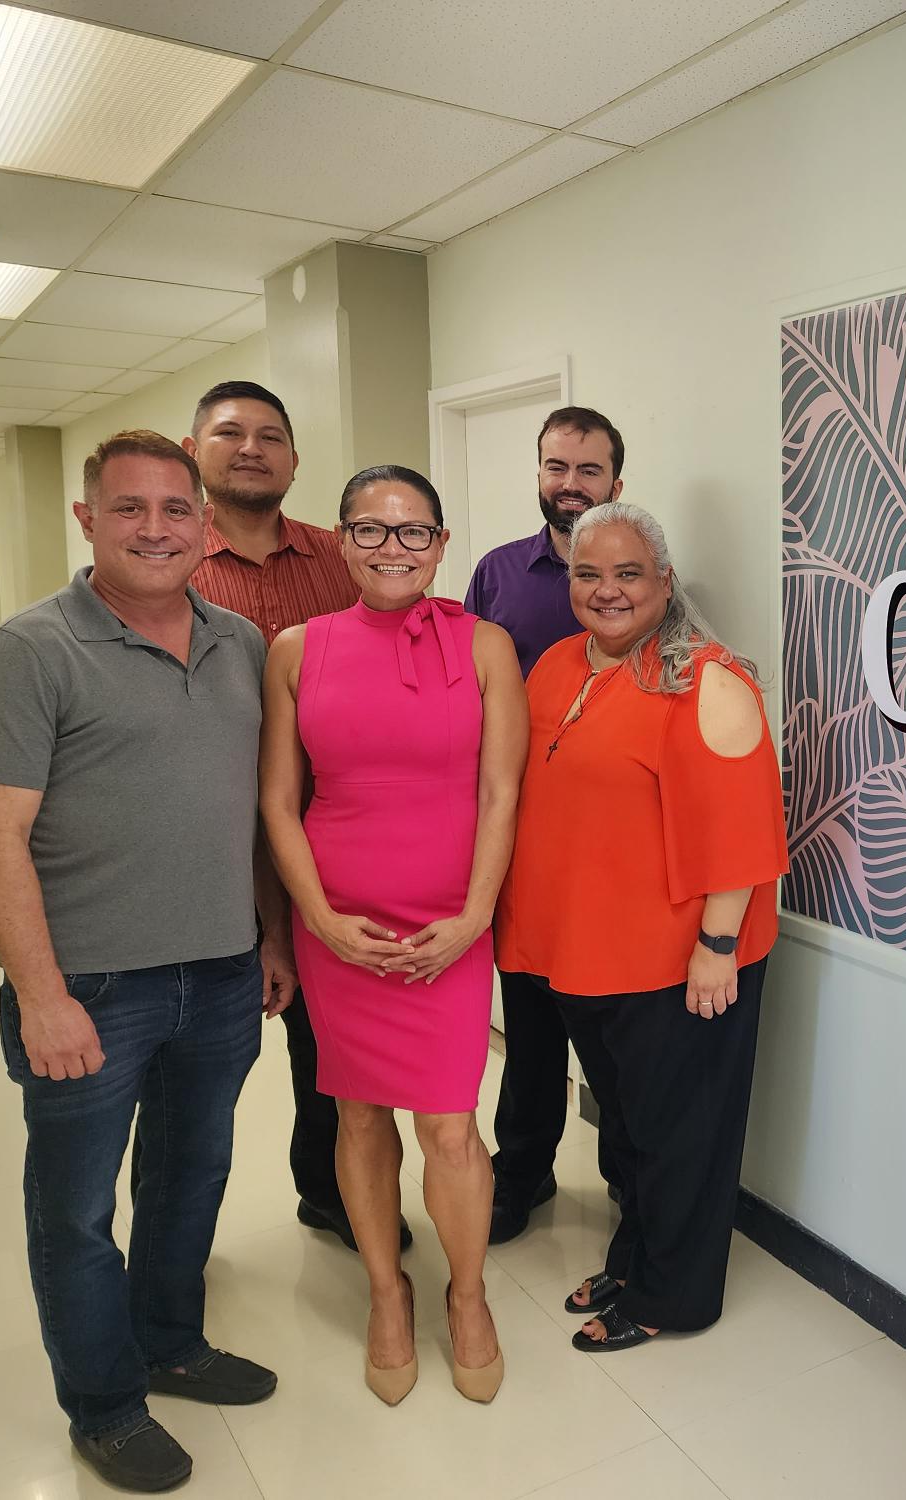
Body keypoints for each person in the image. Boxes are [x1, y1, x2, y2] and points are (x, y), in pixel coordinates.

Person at [0, 431, 284, 1492]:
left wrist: (268, 934)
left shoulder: (241, 643)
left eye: (175, 509)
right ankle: (101, 1400)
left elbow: (255, 814)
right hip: (90, 989)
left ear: (206, 526)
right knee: (78, 1211)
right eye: (128, 507)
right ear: (88, 519)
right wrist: (40, 998)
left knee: (192, 1177)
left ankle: (171, 1340)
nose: (155, 527)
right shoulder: (28, 651)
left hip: (223, 975)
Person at [259, 465, 528, 1403]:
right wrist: (320, 921)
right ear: (340, 542)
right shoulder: (297, 648)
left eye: (413, 531)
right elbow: (278, 802)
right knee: (359, 1112)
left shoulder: (486, 645)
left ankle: (466, 1294)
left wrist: (476, 917)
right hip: (343, 926)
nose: (392, 548)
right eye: (370, 530)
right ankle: (385, 1290)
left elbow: (502, 793)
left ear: (443, 544)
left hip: (453, 926)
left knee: (451, 1125)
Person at [494, 501, 787, 1352]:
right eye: (589, 573)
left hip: (679, 962)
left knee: (680, 1138)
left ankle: (675, 1296)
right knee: (625, 1132)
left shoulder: (706, 677)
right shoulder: (554, 664)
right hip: (586, 958)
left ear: (665, 580)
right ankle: (634, 1258)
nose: (607, 590)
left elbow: (742, 832)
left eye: (629, 573)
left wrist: (717, 948)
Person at [183, 380, 412, 1255]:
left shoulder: (339, 554)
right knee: (203, 1068)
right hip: (211, 840)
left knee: (331, 1046)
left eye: (270, 435)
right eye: (230, 433)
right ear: (195, 447)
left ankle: (331, 1194)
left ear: (294, 459)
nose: (251, 449)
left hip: (332, 839)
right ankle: (177, 1257)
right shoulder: (173, 559)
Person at [464, 405, 626, 1243]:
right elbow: (461, 695)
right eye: (556, 468)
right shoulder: (496, 575)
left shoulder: (639, 573)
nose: (570, 486)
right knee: (527, 1028)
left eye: (587, 470)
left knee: (611, 1026)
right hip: (517, 836)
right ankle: (521, 1172)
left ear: (615, 483)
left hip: (608, 847)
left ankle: (629, 1181)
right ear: (538, 474)